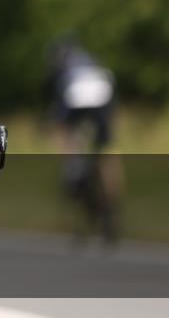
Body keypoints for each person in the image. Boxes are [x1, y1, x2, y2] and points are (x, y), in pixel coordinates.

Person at [45, 36, 120, 242]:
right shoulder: (91, 60)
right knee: (107, 151)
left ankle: (73, 173)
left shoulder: (61, 68)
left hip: (75, 97)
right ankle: (114, 199)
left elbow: (58, 115)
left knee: (69, 139)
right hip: (103, 94)